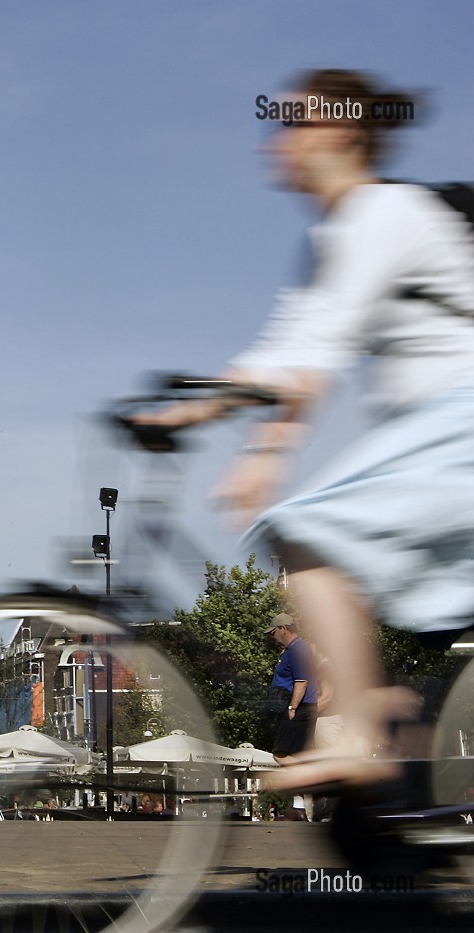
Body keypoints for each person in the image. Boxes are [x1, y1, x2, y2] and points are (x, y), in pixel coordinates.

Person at [135, 68, 474, 791]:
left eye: (294, 123)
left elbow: (309, 361)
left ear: (343, 131)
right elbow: (290, 352)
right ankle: (392, 741)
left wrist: (257, 450)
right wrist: (198, 415)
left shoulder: (383, 215)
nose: (275, 143)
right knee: (348, 567)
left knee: (309, 532)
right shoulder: (340, 236)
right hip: (442, 433)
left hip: (460, 424)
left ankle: (355, 730)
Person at [268, 614, 318, 761]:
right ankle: (311, 780)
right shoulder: (292, 649)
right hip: (299, 708)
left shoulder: (298, 648)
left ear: (283, 628)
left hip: (299, 708)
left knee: (280, 754)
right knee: (300, 755)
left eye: (273, 632)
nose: (272, 636)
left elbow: (302, 681)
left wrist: (292, 708)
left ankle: (311, 778)